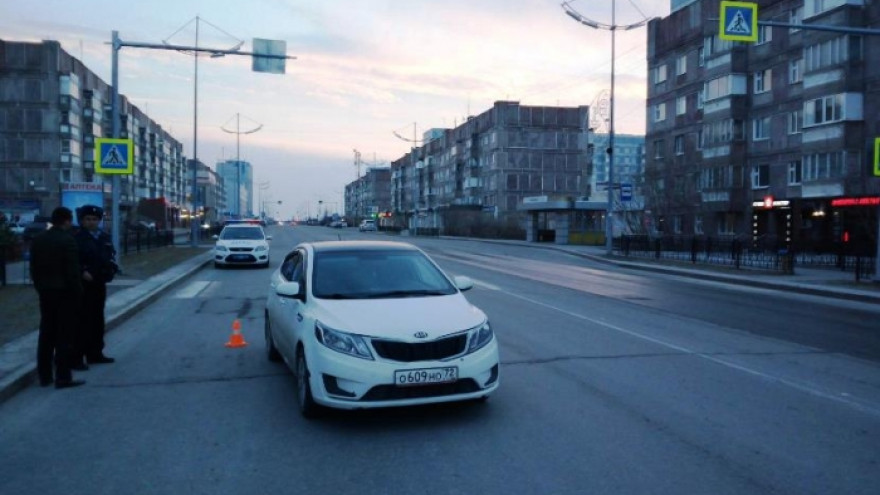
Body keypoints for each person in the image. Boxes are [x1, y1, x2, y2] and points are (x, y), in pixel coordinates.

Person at [29, 206, 85, 389]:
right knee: (64, 336)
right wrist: (78, 293)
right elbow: (72, 272)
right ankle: (63, 376)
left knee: (46, 333)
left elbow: (34, 269)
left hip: (45, 292)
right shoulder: (67, 240)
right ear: (67, 221)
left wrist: (40, 287)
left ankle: (44, 375)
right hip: (65, 293)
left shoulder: (38, 240)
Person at [74, 205, 118, 366]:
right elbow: (72, 260)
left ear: (99, 220)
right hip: (83, 284)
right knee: (82, 320)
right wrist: (82, 272)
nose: (91, 222)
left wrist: (111, 269)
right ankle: (78, 355)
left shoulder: (104, 237)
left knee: (97, 319)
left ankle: (96, 352)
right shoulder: (77, 237)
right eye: (88, 219)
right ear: (82, 221)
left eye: (94, 219)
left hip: (99, 282)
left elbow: (109, 256)